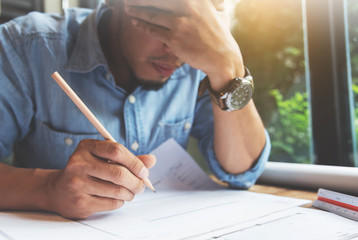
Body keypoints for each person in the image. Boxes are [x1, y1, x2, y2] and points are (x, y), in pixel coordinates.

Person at [0, 0, 270, 219]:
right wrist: (48, 189)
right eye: (161, 25)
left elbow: (242, 170)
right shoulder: (26, 48)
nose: (177, 53)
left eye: (194, 31)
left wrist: (228, 67)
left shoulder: (197, 60)